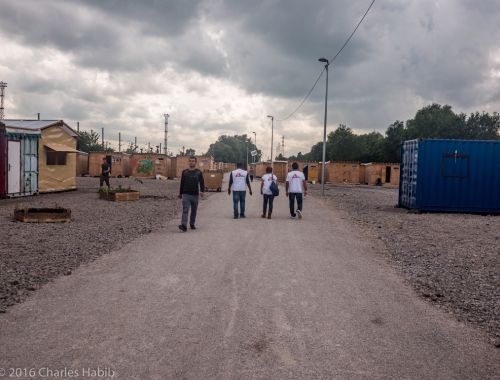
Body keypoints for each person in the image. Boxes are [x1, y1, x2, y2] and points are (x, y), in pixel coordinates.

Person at [178, 156, 204, 232]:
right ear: (188, 162)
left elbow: (201, 182)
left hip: (195, 194)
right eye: (190, 161)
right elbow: (182, 183)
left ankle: (192, 223)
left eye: (193, 161)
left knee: (194, 210)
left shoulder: (198, 172)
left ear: (195, 162)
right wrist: (180, 193)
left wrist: (202, 191)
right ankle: (184, 225)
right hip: (186, 194)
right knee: (185, 209)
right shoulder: (184, 172)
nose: (191, 162)